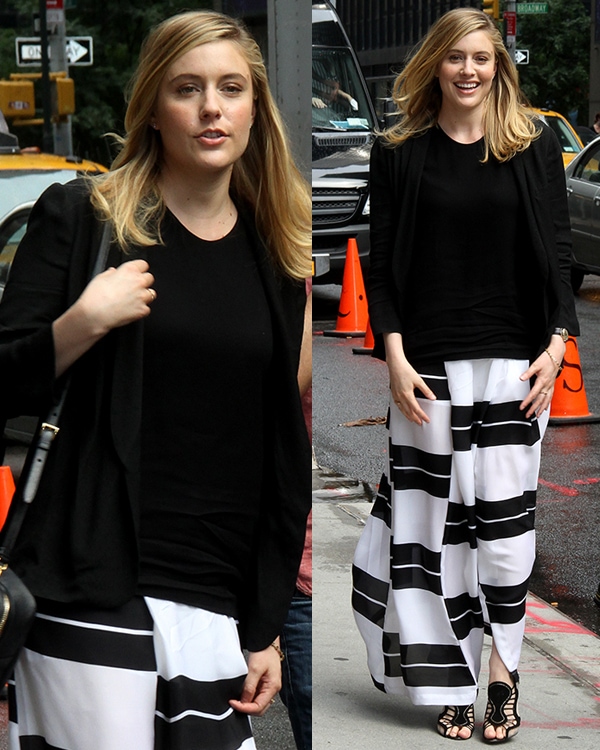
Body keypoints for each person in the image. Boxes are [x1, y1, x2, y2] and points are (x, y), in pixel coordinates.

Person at [0, 10, 311, 750]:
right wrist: (80, 323)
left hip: (212, 598)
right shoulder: (84, 219)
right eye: (187, 88)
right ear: (154, 108)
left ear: (253, 110)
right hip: (89, 580)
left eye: (231, 88)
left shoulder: (275, 258)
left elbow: (277, 449)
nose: (211, 107)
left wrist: (263, 623)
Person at [351, 8, 579, 744]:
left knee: (504, 534)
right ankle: (448, 675)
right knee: (433, 533)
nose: (470, 70)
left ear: (499, 66)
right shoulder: (400, 152)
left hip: (517, 363)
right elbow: (381, 264)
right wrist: (392, 355)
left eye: (482, 57)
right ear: (435, 67)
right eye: (456, 58)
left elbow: (560, 251)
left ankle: (502, 678)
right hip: (426, 368)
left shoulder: (534, 145)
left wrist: (556, 343)